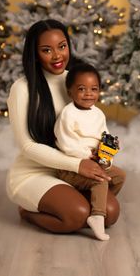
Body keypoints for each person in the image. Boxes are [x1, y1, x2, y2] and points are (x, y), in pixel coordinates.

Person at [6, 19, 126, 235]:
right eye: (46, 50)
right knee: (77, 215)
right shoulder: (22, 89)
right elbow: (27, 147)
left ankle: (71, 201)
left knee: (111, 213)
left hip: (72, 172)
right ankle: (27, 211)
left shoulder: (76, 81)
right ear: (35, 53)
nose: (57, 56)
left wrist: (102, 153)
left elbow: (94, 127)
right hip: (34, 173)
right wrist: (77, 164)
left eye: (62, 46)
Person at [54, 63, 126, 240]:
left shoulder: (98, 114)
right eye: (82, 89)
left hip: (95, 160)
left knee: (119, 176)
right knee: (100, 179)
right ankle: (97, 217)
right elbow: (66, 144)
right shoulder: (67, 114)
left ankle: (95, 202)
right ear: (70, 91)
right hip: (71, 166)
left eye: (94, 89)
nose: (88, 94)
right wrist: (87, 156)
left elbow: (104, 135)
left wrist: (107, 151)